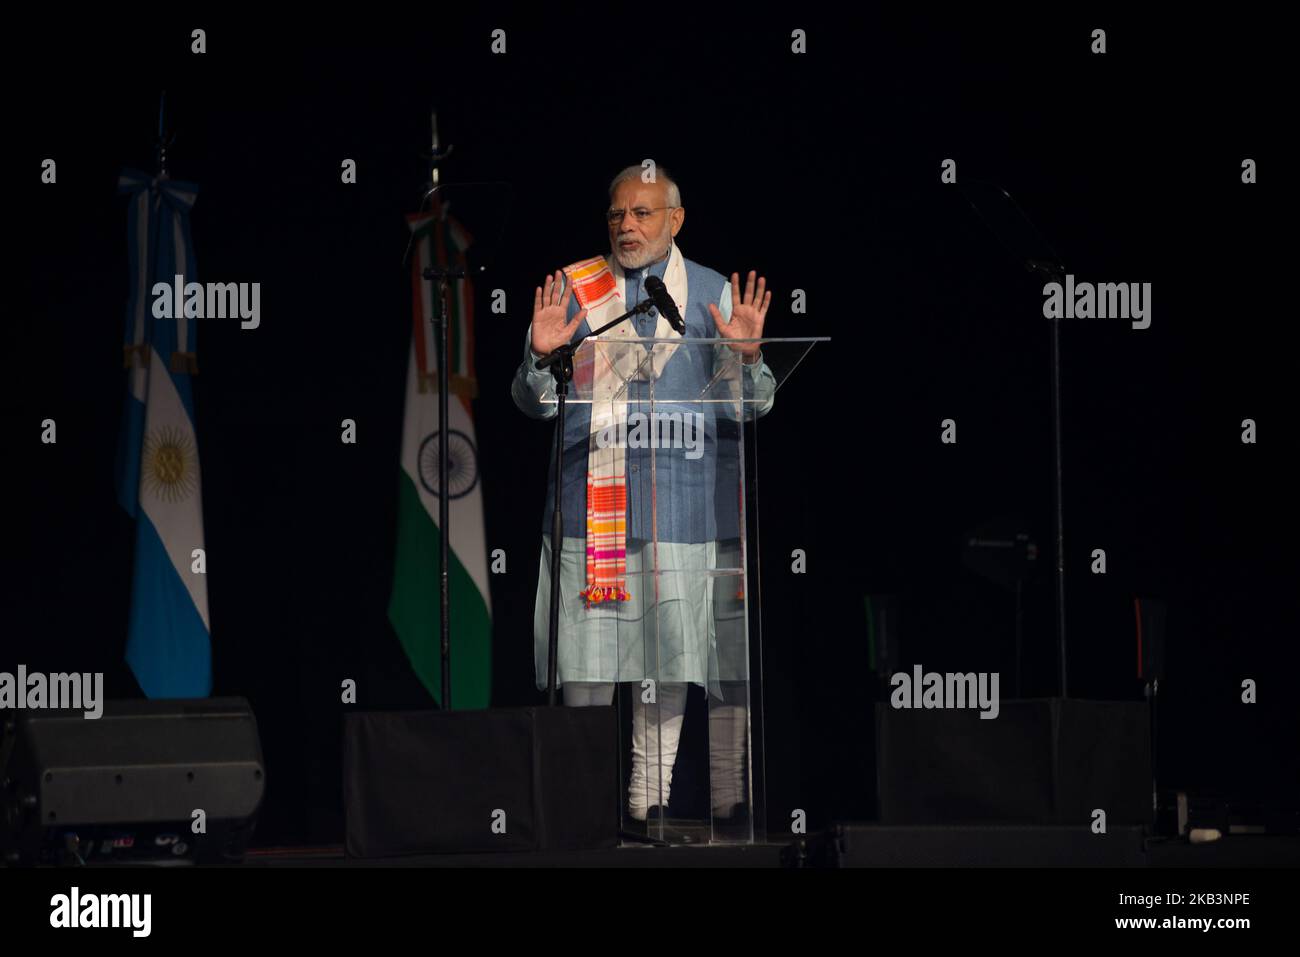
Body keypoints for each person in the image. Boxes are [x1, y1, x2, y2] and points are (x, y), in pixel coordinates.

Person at [512, 164, 775, 835]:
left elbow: (753, 407)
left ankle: (645, 800)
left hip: (685, 511)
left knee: (668, 656)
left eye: (642, 214)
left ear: (675, 220)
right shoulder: (573, 288)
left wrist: (746, 359)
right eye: (616, 214)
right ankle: (581, 795)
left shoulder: (714, 291)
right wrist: (541, 359)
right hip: (588, 510)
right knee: (587, 655)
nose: (626, 226)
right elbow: (532, 403)